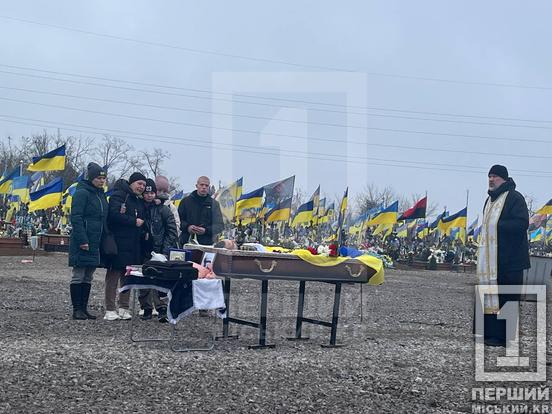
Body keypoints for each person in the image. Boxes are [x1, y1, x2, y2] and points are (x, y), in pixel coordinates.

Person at [476, 165, 530, 347]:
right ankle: (489, 333)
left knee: (507, 297)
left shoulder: (515, 198)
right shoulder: (489, 201)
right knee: (490, 294)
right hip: (491, 260)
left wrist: (497, 226)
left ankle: (504, 337)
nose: (491, 179)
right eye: (489, 176)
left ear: (504, 179)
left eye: (495, 177)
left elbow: (521, 224)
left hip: (510, 260)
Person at [104, 172, 146, 321]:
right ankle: (109, 308)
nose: (141, 187)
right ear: (131, 183)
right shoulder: (119, 196)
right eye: (139, 183)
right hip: (117, 243)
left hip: (133, 244)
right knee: (113, 276)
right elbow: (113, 215)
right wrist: (132, 221)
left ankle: (124, 307)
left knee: (127, 276)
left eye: (143, 185)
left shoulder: (139, 201)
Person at [68, 163, 108, 320]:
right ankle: (76, 309)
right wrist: (82, 239)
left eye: (103, 178)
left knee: (88, 275)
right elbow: (76, 217)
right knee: (79, 274)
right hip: (83, 240)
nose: (101, 181)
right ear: (91, 178)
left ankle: (84, 308)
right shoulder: (82, 193)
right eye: (98, 178)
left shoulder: (100, 195)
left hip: (96, 240)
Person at [139, 178, 178, 321]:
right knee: (144, 280)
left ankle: (162, 308)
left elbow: (172, 231)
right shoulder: (141, 208)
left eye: (152, 193)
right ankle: (146, 308)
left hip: (159, 250)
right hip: (144, 249)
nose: (149, 196)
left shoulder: (164, 209)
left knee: (159, 280)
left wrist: (165, 249)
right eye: (147, 193)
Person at [178, 176, 223, 246]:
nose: (204, 187)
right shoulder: (185, 202)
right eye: (201, 185)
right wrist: (188, 227)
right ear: (196, 186)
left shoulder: (214, 204)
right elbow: (178, 221)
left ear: (209, 187)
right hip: (186, 242)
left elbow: (220, 226)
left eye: (206, 185)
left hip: (207, 244)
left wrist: (206, 230)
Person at [155, 175, 181, 240]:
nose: (162, 193)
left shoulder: (171, 207)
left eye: (164, 191)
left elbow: (176, 227)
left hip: (165, 242)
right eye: (159, 190)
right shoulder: (148, 204)